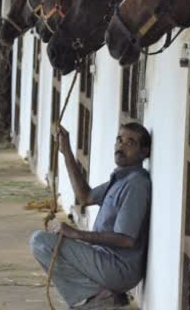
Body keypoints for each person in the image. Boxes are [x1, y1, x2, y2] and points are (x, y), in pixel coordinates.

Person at [30, 122, 152, 309]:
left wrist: (77, 234)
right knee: (48, 243)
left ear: (144, 152)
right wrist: (67, 151)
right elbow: (84, 196)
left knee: (40, 242)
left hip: (118, 268)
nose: (121, 146)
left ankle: (96, 297)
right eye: (119, 140)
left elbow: (127, 240)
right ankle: (100, 296)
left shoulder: (136, 184)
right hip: (104, 259)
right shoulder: (122, 178)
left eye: (130, 142)